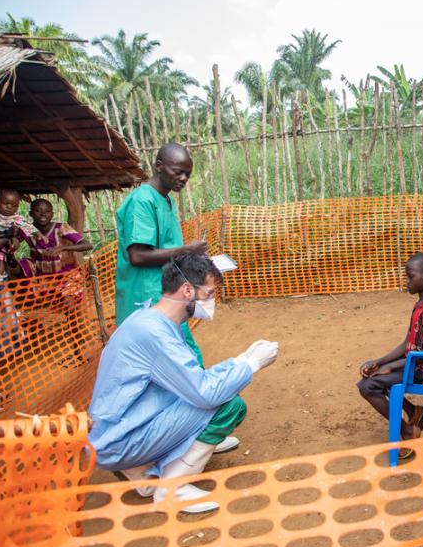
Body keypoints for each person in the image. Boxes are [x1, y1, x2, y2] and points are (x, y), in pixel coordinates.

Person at [88, 254, 279, 513]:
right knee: (228, 405)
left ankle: (141, 472)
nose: (212, 301)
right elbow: (205, 393)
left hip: (116, 430)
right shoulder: (156, 334)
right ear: (187, 290)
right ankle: (173, 489)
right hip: (120, 440)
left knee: (211, 392)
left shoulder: (151, 321)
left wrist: (241, 360)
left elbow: (190, 379)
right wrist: (250, 364)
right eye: (209, 293)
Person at [114, 142, 208, 364]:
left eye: (187, 174)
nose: (184, 178)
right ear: (159, 166)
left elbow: (167, 248)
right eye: (178, 172)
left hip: (168, 294)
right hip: (147, 297)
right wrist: (186, 250)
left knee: (181, 356)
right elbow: (138, 256)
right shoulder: (142, 201)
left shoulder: (166, 201)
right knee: (173, 361)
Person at [358, 252, 423, 459]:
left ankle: (409, 432)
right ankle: (415, 412)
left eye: (411, 276)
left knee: (368, 386)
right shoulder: (421, 305)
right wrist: (379, 361)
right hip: (415, 364)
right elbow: (406, 344)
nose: (406, 281)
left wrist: (393, 366)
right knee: (374, 376)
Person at [16, 198, 93, 277]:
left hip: (66, 274)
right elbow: (14, 242)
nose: (43, 214)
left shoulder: (61, 228)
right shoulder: (28, 229)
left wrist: (62, 248)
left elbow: (88, 245)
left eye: (47, 211)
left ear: (52, 214)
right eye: (38, 211)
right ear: (30, 213)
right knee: (20, 264)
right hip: (41, 274)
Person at [0, 189, 36, 282]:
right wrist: (6, 240)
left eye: (14, 205)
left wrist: (13, 239)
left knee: (1, 261)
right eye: (5, 203)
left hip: (2, 251)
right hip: (2, 245)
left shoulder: (15, 219)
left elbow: (27, 227)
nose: (9, 207)